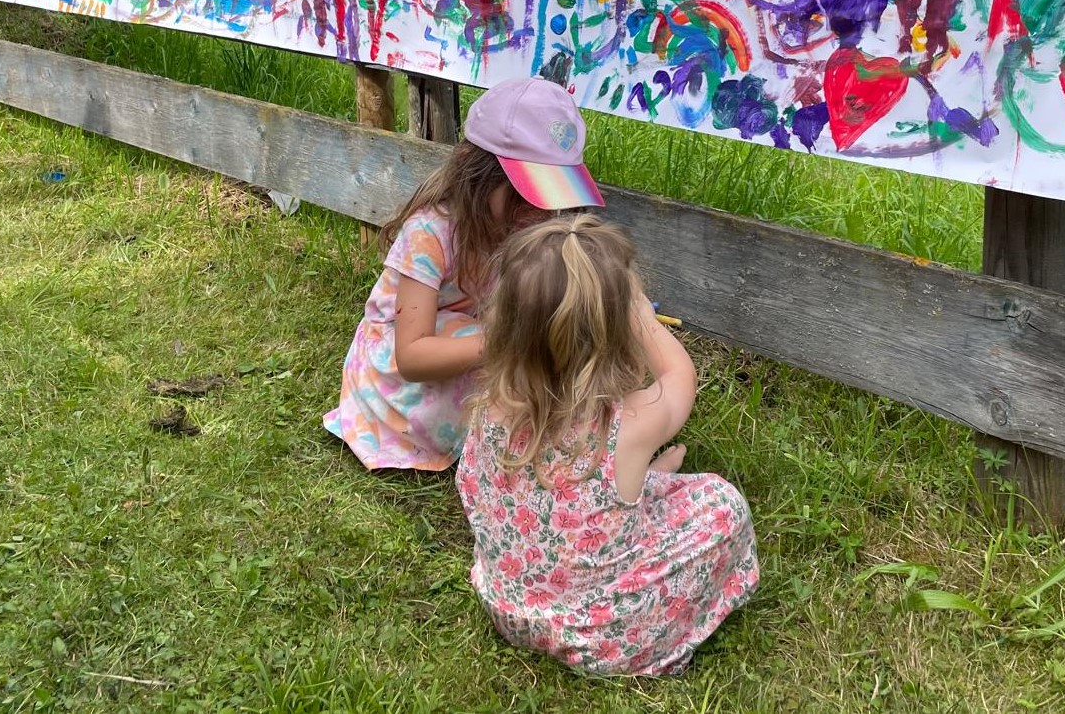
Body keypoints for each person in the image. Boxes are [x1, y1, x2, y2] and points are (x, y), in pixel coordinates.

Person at [456, 214, 758, 676]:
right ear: (614, 333)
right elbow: (679, 377)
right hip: (600, 636)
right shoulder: (628, 424)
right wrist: (642, 316)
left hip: (510, 609)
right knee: (723, 505)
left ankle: (644, 482)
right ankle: (650, 635)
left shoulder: (488, 406)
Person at [323, 77, 605, 471]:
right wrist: (508, 342)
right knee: (519, 377)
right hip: (401, 374)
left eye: (553, 198)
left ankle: (565, 440)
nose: (543, 214)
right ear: (481, 176)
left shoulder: (522, 227)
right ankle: (527, 447)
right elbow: (412, 356)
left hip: (469, 340)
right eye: (530, 196)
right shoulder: (431, 233)